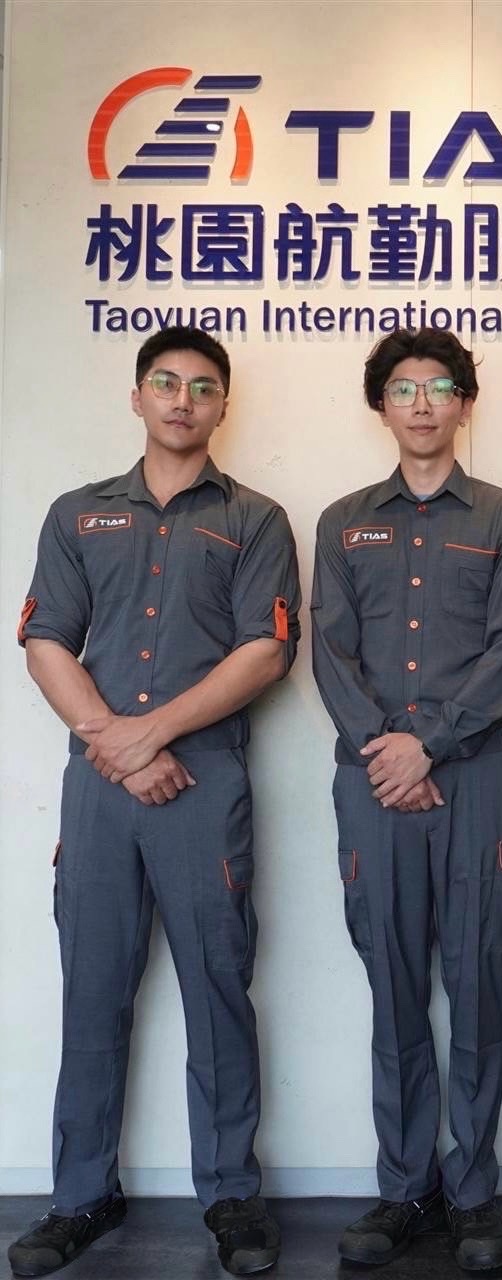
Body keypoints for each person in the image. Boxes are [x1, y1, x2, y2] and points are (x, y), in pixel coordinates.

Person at [9, 326, 300, 1278]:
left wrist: (153, 733)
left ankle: (231, 1197)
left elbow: (266, 650)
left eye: (203, 387)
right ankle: (79, 1197)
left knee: (218, 989)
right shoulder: (78, 514)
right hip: (101, 789)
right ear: (137, 397)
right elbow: (45, 639)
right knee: (93, 990)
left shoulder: (254, 519)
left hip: (203, 783)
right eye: (166, 383)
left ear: (223, 407)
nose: (183, 399)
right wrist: (117, 743)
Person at [311, 328, 502, 1273]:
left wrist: (429, 744)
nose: (420, 404)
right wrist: (387, 750)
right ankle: (406, 1187)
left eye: (439, 388)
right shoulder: (342, 522)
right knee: (395, 984)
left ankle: (474, 1196)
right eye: (402, 389)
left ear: (464, 404)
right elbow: (329, 649)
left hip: (475, 778)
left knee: (478, 983)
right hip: (374, 781)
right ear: (381, 405)